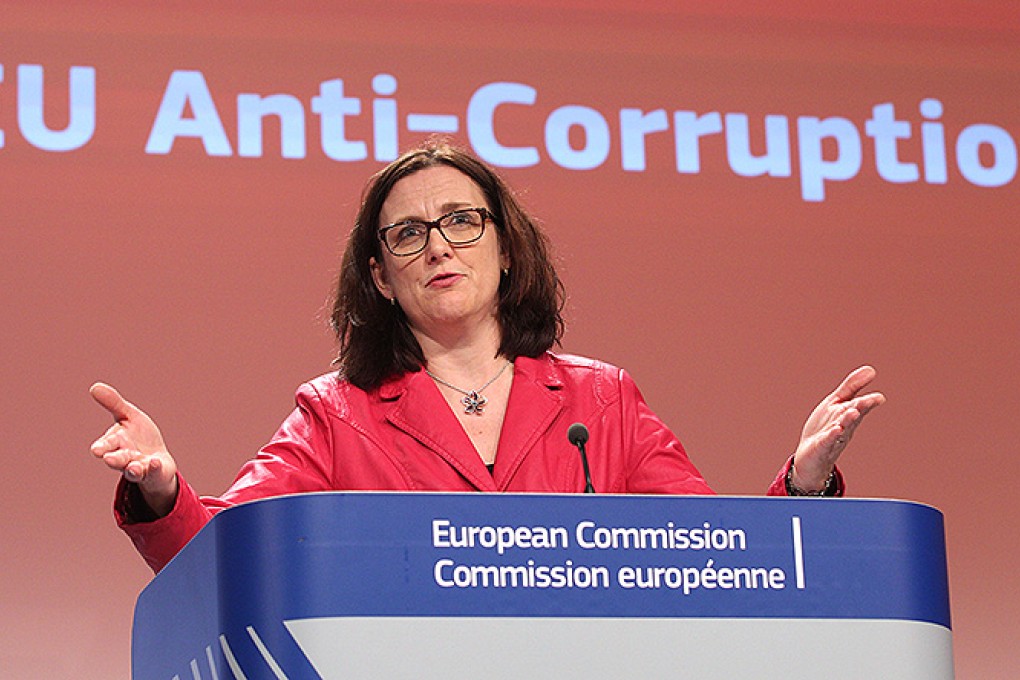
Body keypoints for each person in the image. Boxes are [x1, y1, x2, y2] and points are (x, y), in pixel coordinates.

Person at [90, 140, 885, 573]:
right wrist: (163, 491)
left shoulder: (602, 401)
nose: (437, 246)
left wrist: (803, 486)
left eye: (463, 222)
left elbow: (709, 558)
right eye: (406, 234)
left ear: (505, 249)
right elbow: (227, 560)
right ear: (381, 278)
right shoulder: (335, 414)